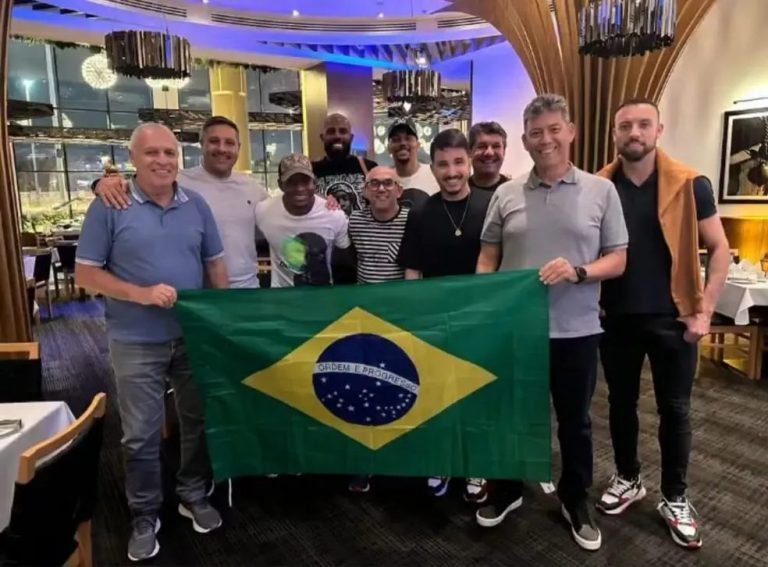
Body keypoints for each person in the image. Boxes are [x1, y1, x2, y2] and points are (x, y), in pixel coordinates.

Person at [475, 94, 628, 552]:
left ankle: (574, 497)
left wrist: (579, 271)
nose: (546, 140)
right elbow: (488, 256)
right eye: (536, 133)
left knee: (575, 422)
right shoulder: (506, 194)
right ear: (525, 141)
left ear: (571, 132)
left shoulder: (601, 191)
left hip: (576, 330)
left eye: (554, 129)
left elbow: (618, 259)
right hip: (516, 330)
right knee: (512, 416)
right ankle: (506, 489)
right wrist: (486, 300)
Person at [74, 123, 228, 562]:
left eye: (169, 152)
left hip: (191, 336)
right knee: (140, 434)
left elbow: (215, 265)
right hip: (135, 340)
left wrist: (222, 321)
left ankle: (193, 493)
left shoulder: (196, 204)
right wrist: (140, 294)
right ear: (133, 159)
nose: (162, 161)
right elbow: (85, 274)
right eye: (151, 153)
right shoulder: (110, 204)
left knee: (196, 422)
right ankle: (144, 513)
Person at [595, 98, 730, 550]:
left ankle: (675, 497)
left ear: (659, 130)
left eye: (643, 124)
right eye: (625, 126)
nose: (634, 132)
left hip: (675, 319)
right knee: (620, 404)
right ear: (615, 133)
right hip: (616, 317)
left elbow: (720, 249)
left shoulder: (692, 184)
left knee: (675, 410)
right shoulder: (600, 186)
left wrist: (705, 311)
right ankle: (628, 478)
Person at [398, 129, 494, 504]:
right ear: (433, 167)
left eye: (458, 163)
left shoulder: (491, 204)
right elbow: (412, 270)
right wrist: (414, 321)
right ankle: (441, 460)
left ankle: (476, 465)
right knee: (437, 395)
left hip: (482, 320)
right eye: (442, 164)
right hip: (435, 321)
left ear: (468, 162)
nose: (451, 172)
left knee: (476, 394)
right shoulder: (420, 212)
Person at [93, 116, 268, 289]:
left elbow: (278, 215)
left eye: (229, 143)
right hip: (195, 292)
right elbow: (137, 184)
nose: (222, 148)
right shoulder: (177, 181)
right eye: (214, 141)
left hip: (248, 288)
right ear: (202, 144)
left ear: (238, 147)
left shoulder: (252, 188)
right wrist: (100, 184)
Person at [345, 165, 411, 493]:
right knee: (363, 390)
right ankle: (366, 462)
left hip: (399, 321)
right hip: (363, 322)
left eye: (388, 183)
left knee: (399, 389)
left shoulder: (411, 221)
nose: (381, 188)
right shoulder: (354, 221)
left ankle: (399, 457)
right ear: (365, 190)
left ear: (399, 189)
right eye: (374, 183)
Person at [256, 153, 351, 288]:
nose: (299, 188)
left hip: (323, 295)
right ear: (280, 185)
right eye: (292, 182)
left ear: (314, 183)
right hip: (281, 296)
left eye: (305, 181)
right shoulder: (263, 211)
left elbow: (345, 264)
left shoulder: (334, 216)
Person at [312, 112, 378, 217]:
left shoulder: (370, 168)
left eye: (342, 131)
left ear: (351, 138)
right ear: (322, 137)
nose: (337, 136)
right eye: (331, 131)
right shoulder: (312, 170)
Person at [387, 117, 439, 208]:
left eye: (408, 138)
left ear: (418, 145)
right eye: (396, 139)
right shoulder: (384, 180)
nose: (402, 143)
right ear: (389, 147)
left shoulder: (435, 173)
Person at [468, 121, 510, 192]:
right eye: (482, 146)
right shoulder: (458, 191)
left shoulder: (515, 192)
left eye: (496, 146)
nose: (489, 153)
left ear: (504, 152)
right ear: (470, 151)